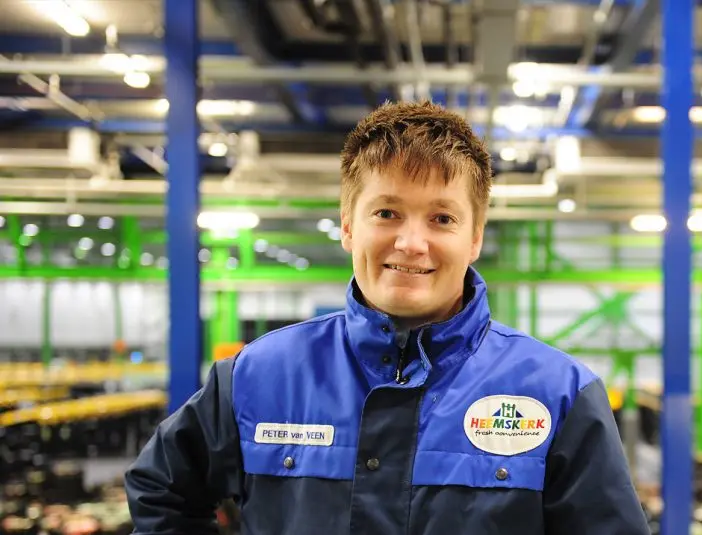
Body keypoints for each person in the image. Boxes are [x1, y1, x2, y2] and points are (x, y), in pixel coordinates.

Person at [124, 100, 650, 535]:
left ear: (474, 238)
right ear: (348, 225)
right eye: (387, 213)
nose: (412, 242)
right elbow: (160, 489)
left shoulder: (559, 395)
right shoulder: (257, 376)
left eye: (441, 218)